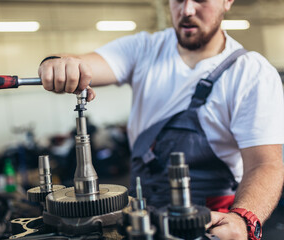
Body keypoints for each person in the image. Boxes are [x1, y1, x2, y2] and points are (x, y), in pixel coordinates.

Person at [37, 0, 284, 239]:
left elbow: (265, 165)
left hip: (212, 224)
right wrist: (58, 63)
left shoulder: (251, 72)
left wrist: (242, 220)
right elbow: (85, 64)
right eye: (177, 0)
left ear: (227, 1)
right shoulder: (145, 49)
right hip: (141, 218)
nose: (186, 9)